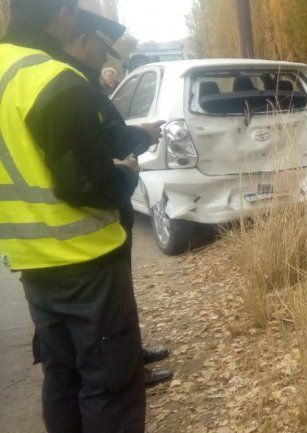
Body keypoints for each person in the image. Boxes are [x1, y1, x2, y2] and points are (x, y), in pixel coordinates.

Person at [0, 1, 143, 432]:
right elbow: (86, 184)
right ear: (62, 14)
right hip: (86, 260)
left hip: (31, 261)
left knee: (62, 377)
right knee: (109, 384)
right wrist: (127, 177)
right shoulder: (52, 80)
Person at [63, 8, 173, 388]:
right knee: (108, 312)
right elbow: (110, 138)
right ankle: (129, 372)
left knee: (121, 296)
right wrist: (142, 136)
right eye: (99, 46)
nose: (103, 55)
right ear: (81, 40)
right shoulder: (73, 88)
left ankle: (133, 356)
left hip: (94, 219)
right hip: (91, 221)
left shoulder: (76, 84)